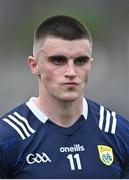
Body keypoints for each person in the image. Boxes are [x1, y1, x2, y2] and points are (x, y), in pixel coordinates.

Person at [0, 15, 129, 179]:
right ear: (34, 65)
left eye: (81, 61)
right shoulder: (7, 138)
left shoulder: (119, 132)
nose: (71, 72)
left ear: (90, 64)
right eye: (58, 60)